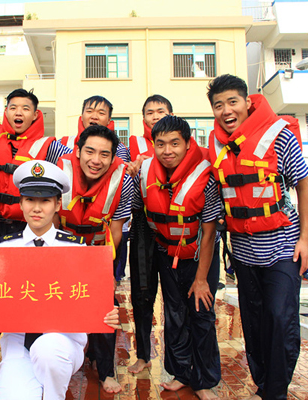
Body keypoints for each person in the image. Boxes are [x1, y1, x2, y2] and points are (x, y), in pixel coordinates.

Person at [0, 160, 120, 400]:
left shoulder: (77, 250)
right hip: (18, 341)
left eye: (45, 201)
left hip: (64, 341)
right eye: (30, 200)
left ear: (57, 204)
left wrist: (106, 313)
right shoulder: (4, 249)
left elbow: (92, 299)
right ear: (21, 203)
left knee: (48, 351)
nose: (37, 208)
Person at [207, 74, 308, 399]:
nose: (226, 110)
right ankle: (263, 384)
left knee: (280, 318)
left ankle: (276, 392)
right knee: (253, 324)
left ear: (247, 102)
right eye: (218, 105)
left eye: (232, 102)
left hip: (283, 246)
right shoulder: (216, 145)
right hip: (243, 251)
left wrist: (305, 240)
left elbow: (303, 186)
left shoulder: (278, 135)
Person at [133, 115, 221, 399]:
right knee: (174, 315)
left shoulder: (206, 175)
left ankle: (204, 381)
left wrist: (201, 279)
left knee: (201, 314)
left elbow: (209, 232)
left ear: (187, 144)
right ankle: (181, 373)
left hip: (198, 256)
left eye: (174, 143)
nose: (167, 151)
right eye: (160, 144)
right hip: (165, 253)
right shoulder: (144, 172)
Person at [57, 125, 132, 393]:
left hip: (98, 251)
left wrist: (106, 270)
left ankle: (106, 371)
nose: (96, 160)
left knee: (105, 305)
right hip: (63, 250)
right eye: (89, 152)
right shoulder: (60, 173)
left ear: (113, 158)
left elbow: (117, 229)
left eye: (104, 154)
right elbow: (52, 218)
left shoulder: (123, 180)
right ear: (78, 151)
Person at [0, 89, 73, 242]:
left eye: (25, 109)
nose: (18, 113)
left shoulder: (48, 147)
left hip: (29, 229)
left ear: (35, 115)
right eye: (13, 108)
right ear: (6, 112)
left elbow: (76, 160)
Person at [126, 94, 173, 374]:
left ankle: (177, 361)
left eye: (161, 111)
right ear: (143, 118)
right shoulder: (131, 146)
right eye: (150, 112)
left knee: (175, 297)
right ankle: (143, 355)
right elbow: (118, 170)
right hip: (143, 226)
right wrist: (133, 167)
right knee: (142, 294)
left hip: (175, 225)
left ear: (171, 115)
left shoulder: (182, 144)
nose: (155, 116)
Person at [58, 95, 130, 162]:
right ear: (82, 116)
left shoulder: (119, 149)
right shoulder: (63, 143)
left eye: (101, 113)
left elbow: (121, 168)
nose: (94, 117)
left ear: (109, 120)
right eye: (89, 111)